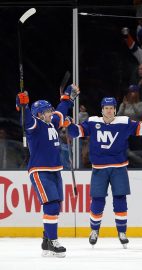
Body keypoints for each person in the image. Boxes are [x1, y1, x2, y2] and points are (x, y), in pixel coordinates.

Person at [67, 97, 142, 248]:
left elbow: (141, 128)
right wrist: (68, 124)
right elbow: (76, 132)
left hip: (119, 168)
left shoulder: (124, 122)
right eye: (106, 108)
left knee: (120, 199)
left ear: (115, 109)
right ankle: (94, 231)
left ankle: (122, 232)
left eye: (111, 108)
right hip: (99, 169)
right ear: (102, 109)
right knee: (98, 200)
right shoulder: (92, 121)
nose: (109, 110)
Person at [15, 84, 80, 258]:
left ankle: (46, 239)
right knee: (50, 205)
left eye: (50, 111)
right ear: (39, 114)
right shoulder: (34, 125)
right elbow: (26, 118)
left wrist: (67, 97)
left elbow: (61, 109)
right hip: (40, 170)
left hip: (55, 170)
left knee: (56, 205)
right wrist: (22, 105)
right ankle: (53, 241)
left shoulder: (53, 122)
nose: (51, 113)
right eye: (47, 111)